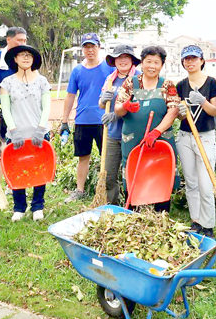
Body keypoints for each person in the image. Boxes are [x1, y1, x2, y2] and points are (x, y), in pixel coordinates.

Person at [115, 45, 180, 213]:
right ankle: (134, 215)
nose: (152, 66)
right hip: (133, 140)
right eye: (148, 61)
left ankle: (161, 215)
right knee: (134, 175)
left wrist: (157, 131)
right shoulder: (131, 82)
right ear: (141, 63)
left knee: (161, 175)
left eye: (156, 62)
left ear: (162, 65)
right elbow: (117, 109)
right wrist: (126, 106)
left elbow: (173, 110)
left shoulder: (167, 85)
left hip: (160, 141)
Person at [0, 45, 51, 222]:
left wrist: (41, 128)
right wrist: (13, 130)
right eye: (21, 55)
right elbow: (6, 110)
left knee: (39, 168)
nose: (26, 58)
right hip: (17, 134)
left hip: (38, 133)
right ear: (15, 59)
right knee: (17, 169)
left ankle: (38, 205)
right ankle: (19, 207)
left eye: (29, 55)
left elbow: (46, 107)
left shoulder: (42, 81)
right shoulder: (7, 83)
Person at [61, 33, 114, 202]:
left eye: (93, 46)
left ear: (99, 47)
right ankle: (79, 190)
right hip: (82, 119)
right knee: (83, 156)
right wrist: (64, 121)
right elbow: (70, 96)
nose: (90, 50)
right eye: (86, 47)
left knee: (107, 157)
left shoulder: (109, 67)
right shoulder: (77, 70)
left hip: (103, 120)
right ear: (82, 49)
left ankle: (107, 189)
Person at [175, 45, 216, 238]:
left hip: (206, 137)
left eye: (194, 58)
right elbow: (179, 116)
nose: (190, 62)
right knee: (191, 181)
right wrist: (180, 113)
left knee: (205, 182)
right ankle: (196, 221)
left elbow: (215, 111)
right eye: (186, 59)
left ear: (202, 60)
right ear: (183, 62)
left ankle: (208, 224)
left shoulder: (211, 83)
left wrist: (202, 101)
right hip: (185, 136)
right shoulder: (181, 85)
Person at [0, 27, 28, 211]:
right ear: (8, 40)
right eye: (19, 40)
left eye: (24, 40)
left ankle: (16, 187)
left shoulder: (25, 58)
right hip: (2, 115)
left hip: (22, 115)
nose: (22, 44)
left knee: (18, 153)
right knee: (0, 154)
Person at [98, 44, 140, 206]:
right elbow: (101, 104)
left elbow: (140, 106)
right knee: (109, 175)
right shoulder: (111, 79)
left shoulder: (139, 78)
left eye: (126, 57)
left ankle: (133, 208)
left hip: (132, 134)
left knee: (131, 175)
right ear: (114, 61)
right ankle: (113, 208)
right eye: (119, 57)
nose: (122, 61)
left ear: (132, 60)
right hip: (113, 134)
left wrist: (116, 114)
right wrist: (103, 100)